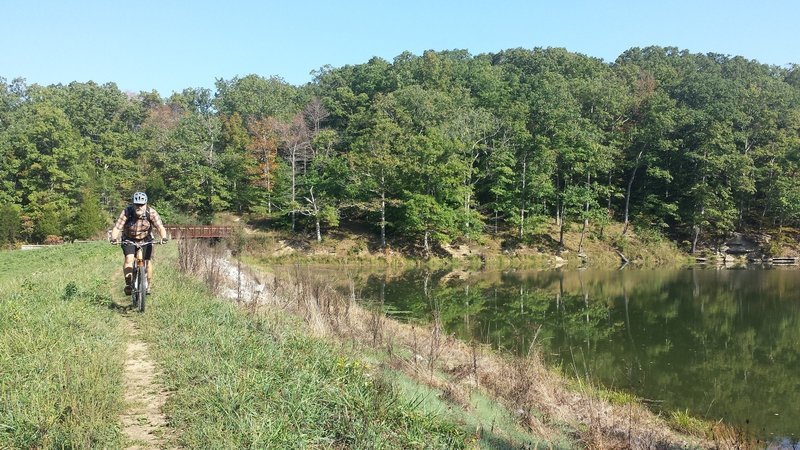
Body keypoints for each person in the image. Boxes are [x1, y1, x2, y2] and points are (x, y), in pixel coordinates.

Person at [110, 192, 168, 295]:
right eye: (137, 204)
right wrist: (114, 238)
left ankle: (148, 286)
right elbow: (118, 227)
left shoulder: (152, 213)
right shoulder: (127, 212)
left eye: (141, 205)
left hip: (146, 239)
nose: (139, 207)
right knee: (129, 258)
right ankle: (128, 284)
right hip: (129, 239)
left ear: (146, 204)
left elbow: (160, 227)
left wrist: (164, 237)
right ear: (133, 204)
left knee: (147, 262)